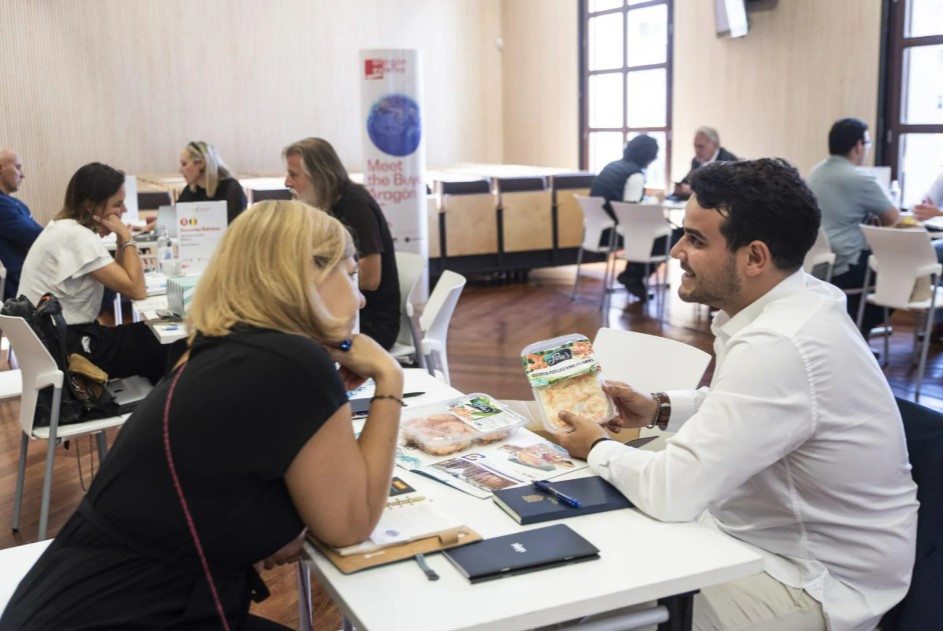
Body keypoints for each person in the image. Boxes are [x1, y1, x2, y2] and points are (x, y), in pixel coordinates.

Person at [0, 200, 405, 631]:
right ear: (309, 272)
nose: (360, 296)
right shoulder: (294, 361)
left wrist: (275, 525)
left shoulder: (213, 349)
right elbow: (350, 524)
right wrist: (390, 378)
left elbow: (227, 485)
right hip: (134, 612)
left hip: (72, 604)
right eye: (351, 272)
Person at [558, 159, 918, 631]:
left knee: (608, 605)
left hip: (813, 580)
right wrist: (660, 409)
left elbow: (672, 491)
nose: (677, 251)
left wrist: (596, 447)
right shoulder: (799, 300)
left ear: (754, 258)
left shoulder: (781, 343)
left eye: (697, 240)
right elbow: (749, 410)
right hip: (767, 540)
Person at [18, 162, 171, 384]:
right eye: (117, 205)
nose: (124, 212)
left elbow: (119, 279)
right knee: (163, 340)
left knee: (145, 337)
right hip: (69, 350)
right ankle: (161, 410)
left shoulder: (65, 228)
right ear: (91, 206)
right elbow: (137, 290)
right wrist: (127, 237)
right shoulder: (76, 237)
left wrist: (120, 240)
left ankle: (152, 406)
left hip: (54, 342)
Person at [283, 137, 401, 350]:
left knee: (291, 343)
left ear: (318, 176)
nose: (287, 183)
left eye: (294, 175)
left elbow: (372, 279)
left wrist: (310, 280)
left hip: (370, 323)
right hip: (337, 311)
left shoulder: (355, 206)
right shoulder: (324, 203)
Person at [808, 118, 899, 337]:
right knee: (899, 272)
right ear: (858, 146)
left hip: (815, 264)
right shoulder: (861, 178)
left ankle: (850, 330)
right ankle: (858, 330)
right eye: (867, 144)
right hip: (847, 265)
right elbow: (893, 220)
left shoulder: (815, 173)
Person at [589, 134, 674, 301]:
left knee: (651, 233)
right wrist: (656, 200)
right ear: (649, 157)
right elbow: (632, 212)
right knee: (667, 237)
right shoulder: (635, 175)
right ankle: (633, 276)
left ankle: (632, 274)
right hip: (615, 233)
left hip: (598, 230)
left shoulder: (612, 166)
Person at [0, 148, 43, 300]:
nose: (22, 175)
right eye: (17, 167)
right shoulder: (2, 205)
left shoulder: (15, 204)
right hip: (15, 292)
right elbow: (38, 237)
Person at [177, 140, 248, 225]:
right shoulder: (189, 190)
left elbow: (235, 228)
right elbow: (176, 220)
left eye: (184, 164)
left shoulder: (232, 189)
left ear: (201, 164)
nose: (180, 170)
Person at [672, 126, 738, 199]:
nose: (697, 150)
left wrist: (695, 191)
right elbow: (686, 182)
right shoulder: (696, 161)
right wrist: (680, 189)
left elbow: (725, 191)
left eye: (701, 146)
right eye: (695, 146)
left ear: (715, 145)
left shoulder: (728, 161)